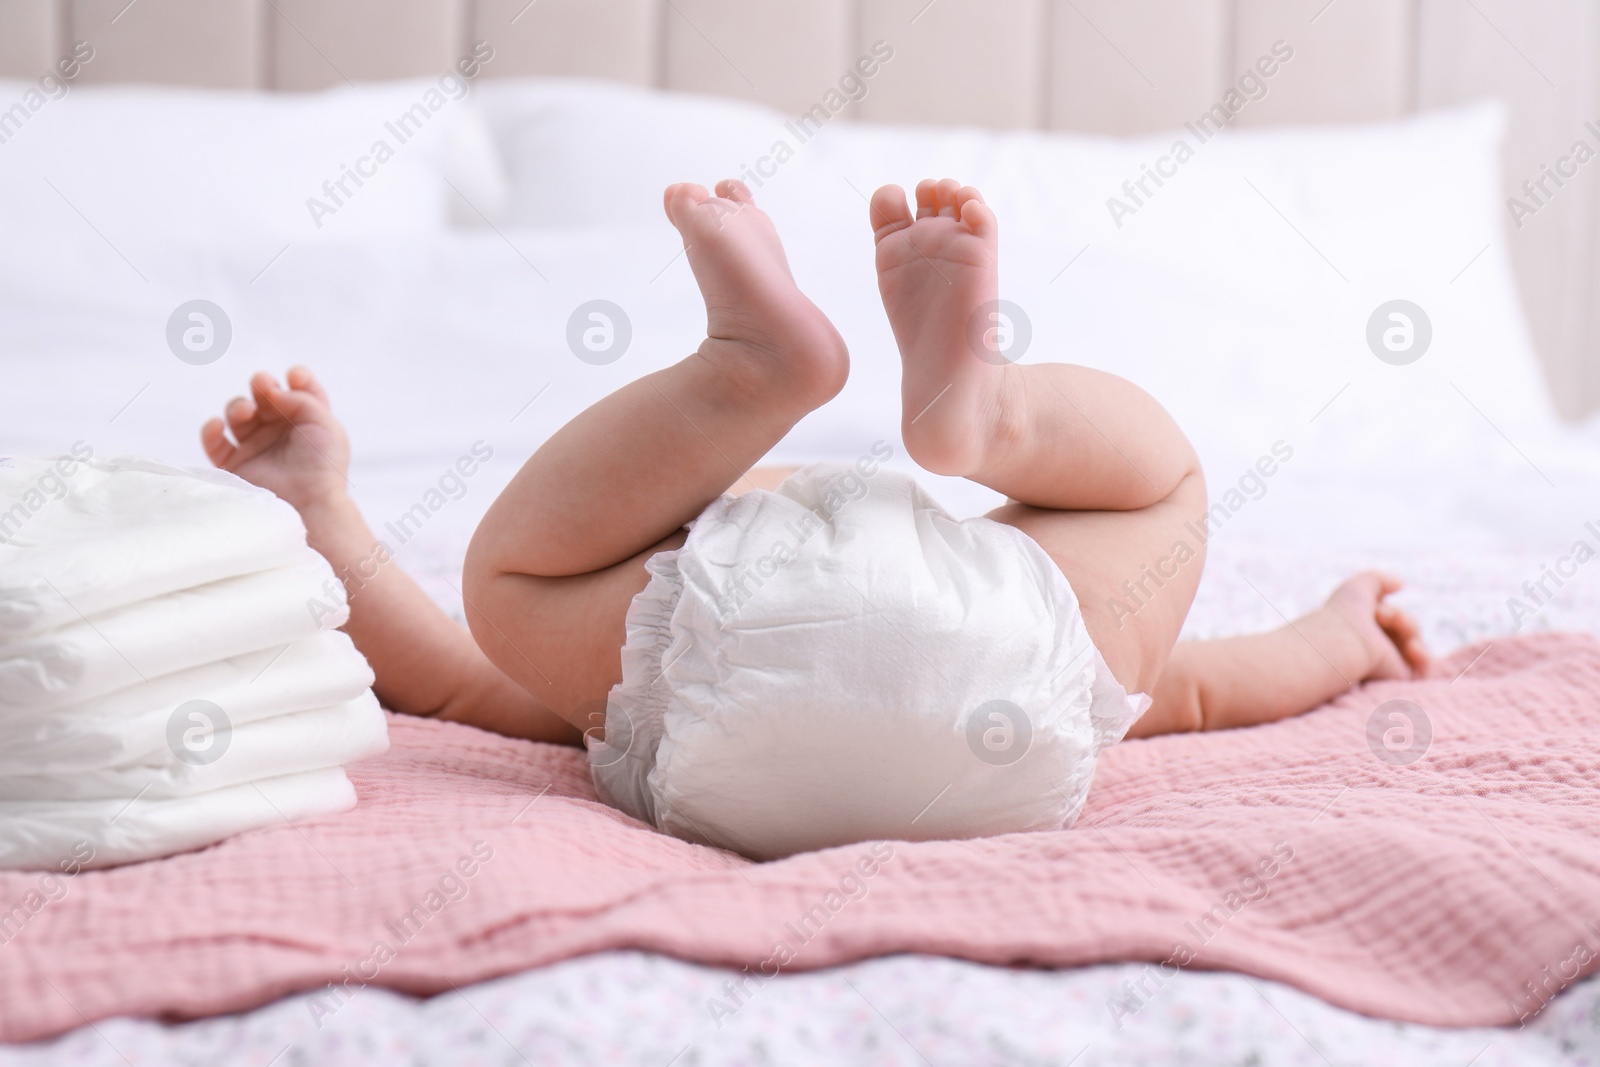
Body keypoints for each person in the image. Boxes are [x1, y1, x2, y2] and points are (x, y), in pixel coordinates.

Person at [202, 177, 1430, 857]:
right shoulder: (1054, 627)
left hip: (716, 684)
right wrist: (1343, 634)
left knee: (506, 588)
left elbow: (439, 679)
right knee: (1163, 488)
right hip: (1009, 720)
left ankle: (746, 375)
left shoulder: (625, 670)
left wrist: (321, 511)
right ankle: (988, 418)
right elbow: (1220, 687)